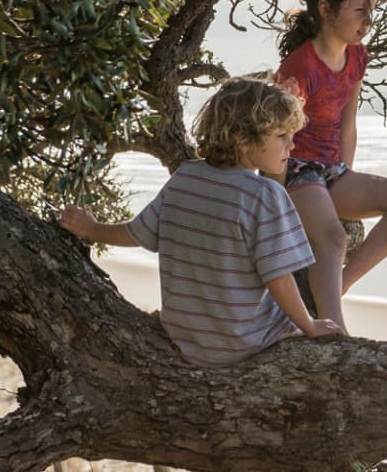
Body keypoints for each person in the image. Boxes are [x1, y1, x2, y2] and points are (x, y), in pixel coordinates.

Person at [59, 76, 343, 364]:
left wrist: (92, 229)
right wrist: (309, 325)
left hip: (188, 340)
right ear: (244, 139)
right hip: (245, 342)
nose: (291, 146)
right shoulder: (264, 194)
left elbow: (137, 234)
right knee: (298, 314)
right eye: (282, 136)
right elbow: (278, 277)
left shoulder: (185, 176)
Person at [275, 0, 387, 324]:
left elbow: (348, 123)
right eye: (359, 10)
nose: (368, 20)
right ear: (326, 9)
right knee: (333, 238)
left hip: (332, 172)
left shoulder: (357, 56)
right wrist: (275, 201)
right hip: (294, 170)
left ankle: (336, 289)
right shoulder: (300, 66)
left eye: (370, 11)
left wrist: (345, 177)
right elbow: (276, 136)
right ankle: (334, 328)